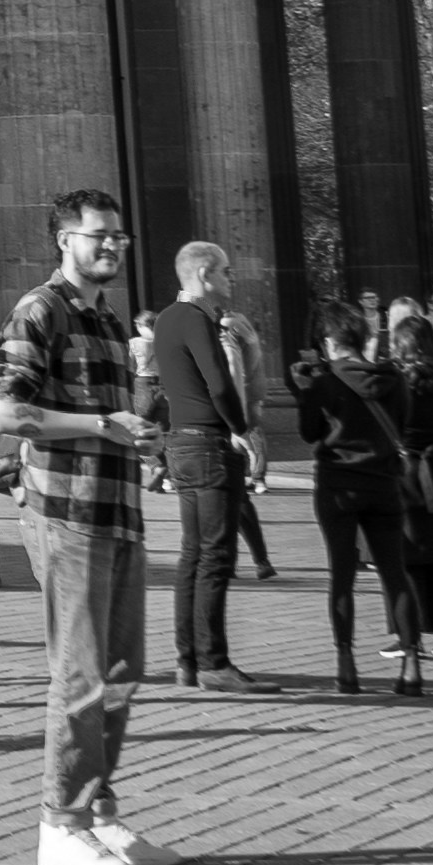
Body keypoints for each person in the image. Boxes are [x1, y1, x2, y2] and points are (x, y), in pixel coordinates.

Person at [0, 190, 163, 865]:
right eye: (99, 236)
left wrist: (137, 431)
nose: (114, 247)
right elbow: (6, 414)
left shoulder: (108, 319)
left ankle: (97, 812)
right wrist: (99, 425)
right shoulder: (41, 310)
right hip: (67, 516)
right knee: (81, 675)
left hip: (118, 512)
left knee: (121, 675)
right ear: (64, 240)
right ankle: (59, 821)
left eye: (119, 236)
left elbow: (106, 417)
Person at [140, 242, 262, 692]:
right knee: (215, 556)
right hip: (209, 444)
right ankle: (213, 662)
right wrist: (242, 428)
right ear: (205, 273)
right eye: (226, 272)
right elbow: (219, 383)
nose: (231, 279)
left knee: (192, 556)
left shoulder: (168, 318)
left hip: (181, 444)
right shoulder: (197, 319)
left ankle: (187, 659)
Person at [291, 312, 429, 696]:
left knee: (341, 574)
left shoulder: (324, 383)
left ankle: (346, 663)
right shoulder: (394, 379)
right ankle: (412, 663)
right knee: (394, 574)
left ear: (330, 345)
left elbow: (308, 432)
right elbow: (403, 425)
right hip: (384, 484)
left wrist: (305, 389)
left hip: (338, 486)